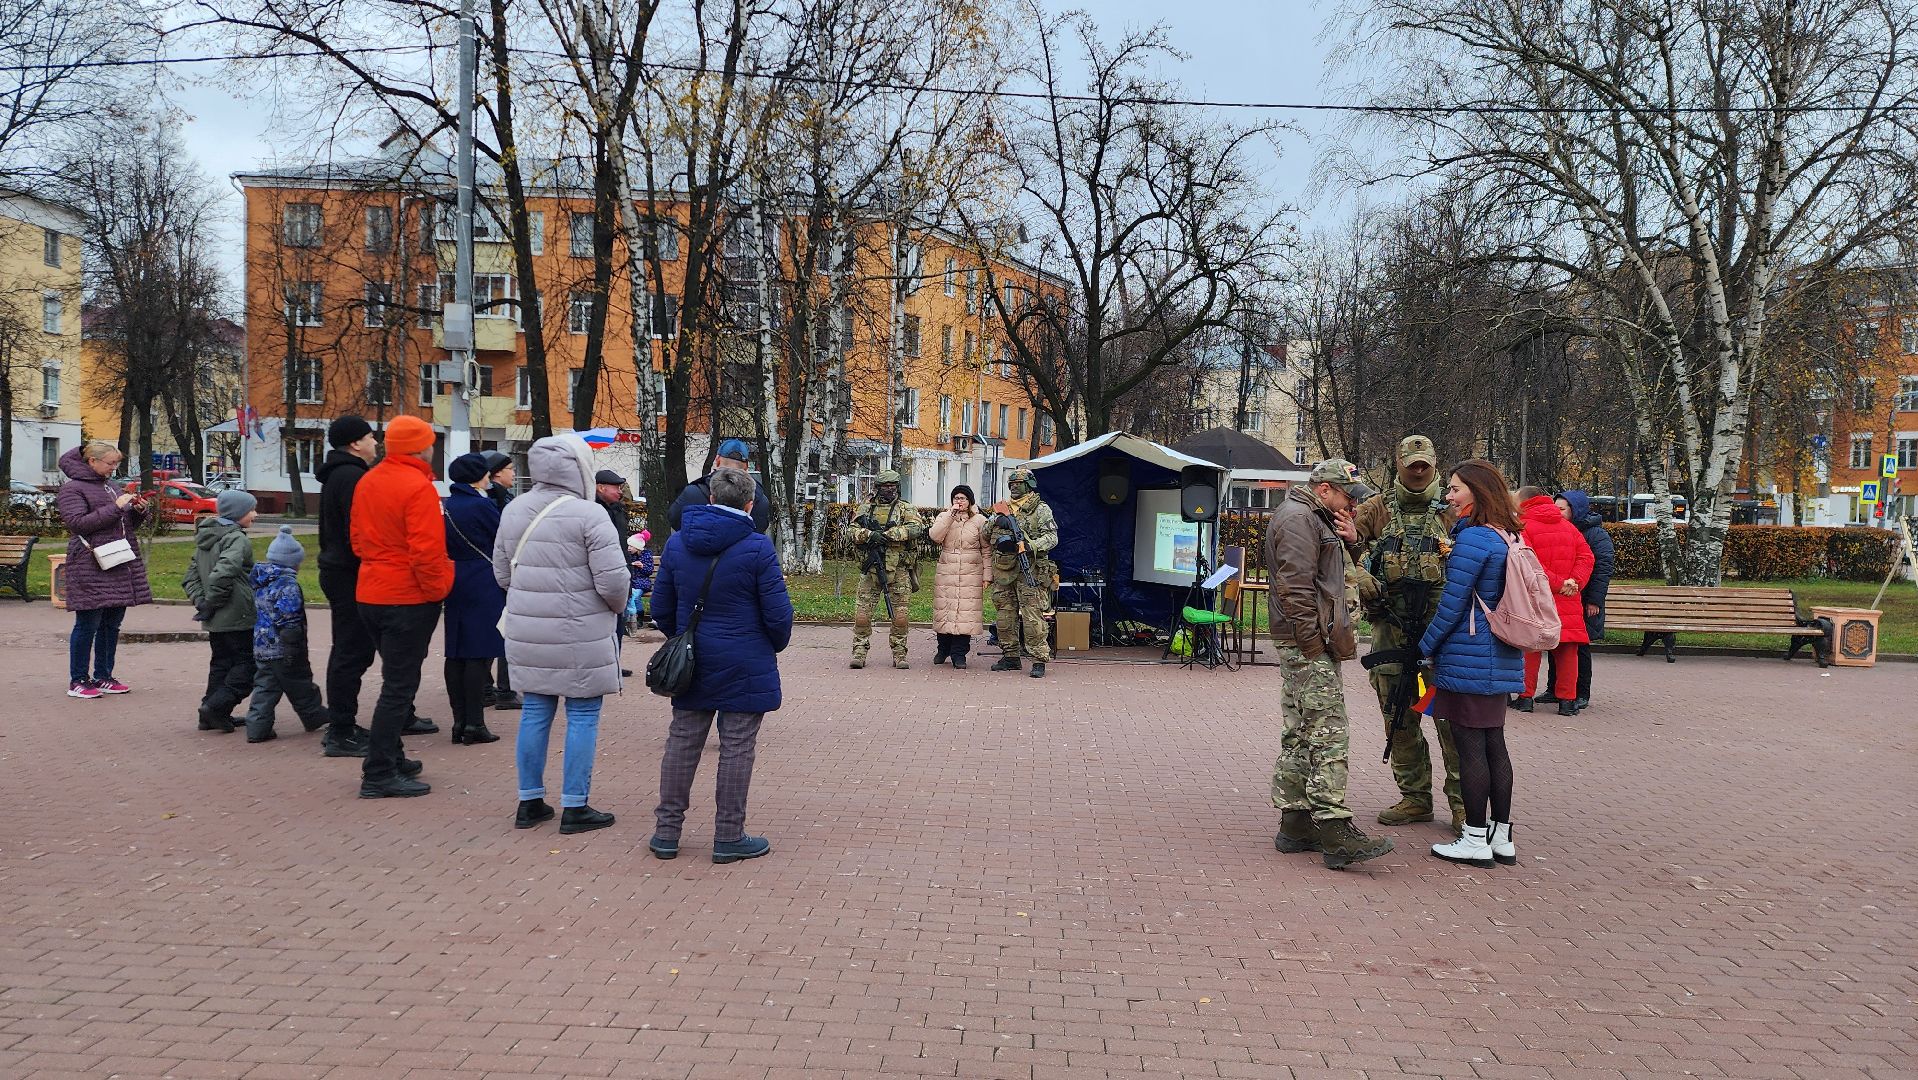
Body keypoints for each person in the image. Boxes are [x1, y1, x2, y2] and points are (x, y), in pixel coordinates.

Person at [649, 467, 795, 864]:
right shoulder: (757, 547)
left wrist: (682, 640)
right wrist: (772, 645)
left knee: (682, 741)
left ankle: (666, 833)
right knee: (736, 747)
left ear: (710, 498)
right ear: (750, 504)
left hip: (693, 659)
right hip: (745, 659)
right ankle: (728, 836)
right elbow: (778, 615)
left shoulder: (678, 544)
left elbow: (659, 607)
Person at [495, 435, 628, 835]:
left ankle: (529, 801)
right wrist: (616, 610)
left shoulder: (514, 509)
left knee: (535, 712)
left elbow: (502, 573)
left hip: (528, 629)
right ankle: (575, 805)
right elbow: (613, 580)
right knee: (583, 715)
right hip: (580, 630)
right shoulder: (589, 514)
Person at [1265, 459, 1395, 870]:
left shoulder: (1312, 517)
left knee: (1302, 730)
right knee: (1328, 732)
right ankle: (1334, 828)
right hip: (1309, 642)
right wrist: (1311, 643)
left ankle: (1297, 821)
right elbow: (1296, 586)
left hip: (1311, 640)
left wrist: (1351, 542)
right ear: (1324, 489)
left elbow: (1332, 578)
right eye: (1345, 495)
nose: (1351, 505)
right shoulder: (1299, 519)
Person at [1351, 434, 1465, 831]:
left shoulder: (1455, 509)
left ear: (1434, 464)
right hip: (1391, 632)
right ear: (1398, 463)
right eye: (1411, 464)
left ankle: (1463, 803)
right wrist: (1360, 577)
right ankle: (1415, 797)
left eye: (1425, 465)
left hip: (1444, 634)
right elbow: (1338, 550)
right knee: (1398, 715)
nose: (1418, 471)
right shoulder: (1375, 509)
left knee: (1449, 717)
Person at [1420, 459, 1526, 868]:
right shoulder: (1507, 534)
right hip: (1500, 653)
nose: (1448, 495)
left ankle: (1474, 838)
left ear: (1476, 493)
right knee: (1494, 744)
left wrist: (1425, 646)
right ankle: (1501, 837)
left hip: (1469, 654)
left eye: (1455, 488)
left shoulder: (1474, 539)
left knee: (1470, 749)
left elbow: (1452, 605)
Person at [350, 414, 455, 798]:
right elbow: (426, 551)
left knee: (395, 680)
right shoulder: (418, 487)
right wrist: (437, 590)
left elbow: (358, 540)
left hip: (371, 592)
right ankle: (378, 771)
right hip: (407, 596)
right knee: (399, 685)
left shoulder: (369, 480)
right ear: (422, 447)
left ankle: (390, 757)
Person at [318, 416, 435, 757]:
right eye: (370, 437)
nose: (375, 443)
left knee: (377, 652)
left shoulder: (345, 476)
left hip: (352, 570)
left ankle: (397, 716)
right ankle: (341, 728)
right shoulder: (354, 477)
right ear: (355, 443)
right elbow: (365, 533)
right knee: (352, 651)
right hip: (354, 573)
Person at [56, 441, 152, 699]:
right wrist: (117, 506)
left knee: (112, 623)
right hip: (90, 563)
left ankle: (104, 676)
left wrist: (138, 512)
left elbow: (122, 523)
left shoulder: (110, 486)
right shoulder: (72, 489)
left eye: (116, 463)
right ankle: (78, 680)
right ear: (92, 462)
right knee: (88, 623)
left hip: (118, 561)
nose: (113, 468)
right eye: (110, 463)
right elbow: (79, 524)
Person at [441, 453, 506, 746]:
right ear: (479, 476)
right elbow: (503, 536)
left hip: (454, 578)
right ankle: (474, 723)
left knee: (455, 652)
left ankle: (458, 722)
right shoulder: (482, 505)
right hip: (483, 577)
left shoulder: (447, 505)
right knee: (479, 653)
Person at [183, 489, 259, 734]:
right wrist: (212, 601)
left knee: (221, 663)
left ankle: (211, 712)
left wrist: (203, 602)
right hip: (237, 614)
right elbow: (224, 571)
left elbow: (190, 577)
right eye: (251, 510)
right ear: (238, 514)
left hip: (215, 616)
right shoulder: (236, 539)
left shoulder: (207, 536)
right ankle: (217, 707)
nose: (255, 515)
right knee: (248, 664)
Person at [1513, 487, 1593, 716]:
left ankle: (1525, 697)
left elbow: (1530, 566)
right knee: (1568, 650)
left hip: (1537, 598)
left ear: (1525, 503)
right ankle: (1567, 702)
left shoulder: (1524, 529)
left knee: (1531, 648)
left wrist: (1558, 583)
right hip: (1569, 598)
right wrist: (1573, 583)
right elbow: (1587, 556)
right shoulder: (1569, 527)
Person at [243, 525, 328, 742]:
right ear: (293, 562)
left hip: (262, 646)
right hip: (284, 647)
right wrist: (293, 647)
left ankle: (256, 728)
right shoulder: (287, 585)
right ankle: (313, 715)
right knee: (300, 682)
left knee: (265, 687)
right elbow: (289, 618)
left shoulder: (261, 581)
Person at [847, 469, 926, 669]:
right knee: (862, 615)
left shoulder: (906, 508)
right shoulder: (865, 509)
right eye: (884, 487)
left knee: (900, 616)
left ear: (898, 487)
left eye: (892, 486)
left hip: (898, 568)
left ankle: (899, 654)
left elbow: (916, 528)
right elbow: (851, 531)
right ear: (878, 488)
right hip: (871, 569)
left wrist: (892, 534)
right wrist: (868, 535)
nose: (889, 490)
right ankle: (859, 652)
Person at [1547, 491, 1614, 712]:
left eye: (1562, 509)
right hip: (1563, 598)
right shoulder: (1560, 529)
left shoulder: (1595, 535)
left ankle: (1581, 692)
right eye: (1555, 507)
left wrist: (1594, 600)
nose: (1557, 512)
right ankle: (1554, 688)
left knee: (1579, 648)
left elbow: (1602, 569)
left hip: (1584, 600)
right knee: (1556, 643)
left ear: (1575, 510)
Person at [987, 467, 1057, 678]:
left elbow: (1052, 538)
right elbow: (984, 533)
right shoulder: (1002, 507)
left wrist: (1031, 545)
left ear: (1029, 486)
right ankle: (1010, 656)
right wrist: (995, 520)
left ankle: (1038, 659)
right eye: (1012, 484)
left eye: (1019, 484)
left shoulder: (1041, 509)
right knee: (1005, 615)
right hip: (1004, 569)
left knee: (1032, 616)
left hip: (1031, 570)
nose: (1015, 487)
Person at [928, 484, 992, 669]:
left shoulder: (980, 520)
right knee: (944, 611)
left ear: (970, 500)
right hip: (947, 570)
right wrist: (950, 515)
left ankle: (959, 654)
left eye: (963, 498)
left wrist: (987, 575)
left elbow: (987, 550)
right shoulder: (944, 516)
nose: (959, 501)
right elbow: (935, 536)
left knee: (965, 615)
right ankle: (942, 649)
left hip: (971, 572)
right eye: (956, 498)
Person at [668, 438, 772, 534]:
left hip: (699, 552)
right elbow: (760, 528)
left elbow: (674, 519)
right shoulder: (761, 501)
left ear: (717, 460)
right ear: (746, 466)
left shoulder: (692, 493)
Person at [483, 450, 521, 711]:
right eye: (510, 469)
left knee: (491, 631)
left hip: (490, 571)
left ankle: (486, 686)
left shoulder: (502, 497)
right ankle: (503, 689)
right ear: (497, 473)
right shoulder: (497, 499)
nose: (514, 473)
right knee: (503, 630)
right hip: (498, 571)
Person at [627, 530, 656, 629]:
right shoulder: (629, 556)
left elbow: (649, 571)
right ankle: (630, 617)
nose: (629, 548)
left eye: (631, 546)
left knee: (634, 596)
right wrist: (630, 565)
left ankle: (639, 617)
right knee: (629, 594)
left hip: (642, 582)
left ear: (637, 547)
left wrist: (642, 566)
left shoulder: (646, 556)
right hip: (631, 582)